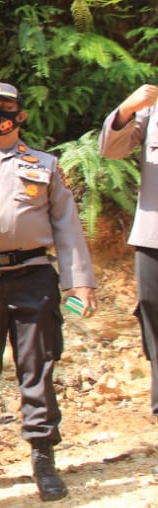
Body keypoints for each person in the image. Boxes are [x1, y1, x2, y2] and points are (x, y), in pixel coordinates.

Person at [0, 82, 97, 502]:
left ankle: (43, 458)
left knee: (38, 366)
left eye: (5, 109)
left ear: (20, 115)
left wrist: (79, 282)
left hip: (34, 275)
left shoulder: (45, 164)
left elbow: (66, 226)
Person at [99, 84, 158, 445]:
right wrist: (127, 107)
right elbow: (112, 148)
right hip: (153, 235)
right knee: (153, 318)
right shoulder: (151, 110)